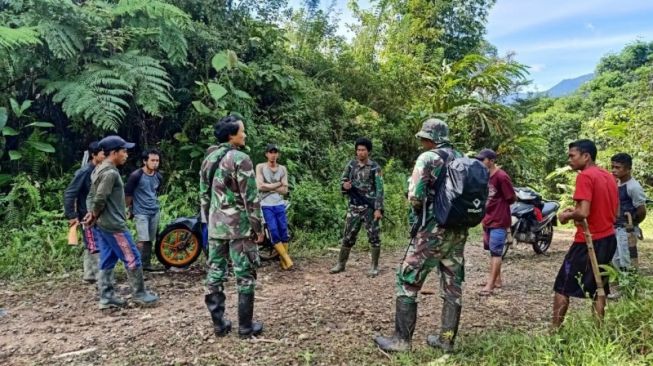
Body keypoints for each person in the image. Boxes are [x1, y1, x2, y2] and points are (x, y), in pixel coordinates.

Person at [374, 118, 469, 353]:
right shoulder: (462, 158)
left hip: (432, 230)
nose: (422, 142)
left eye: (424, 138)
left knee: (407, 280)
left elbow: (415, 196)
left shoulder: (428, 158)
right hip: (458, 231)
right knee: (452, 285)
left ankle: (401, 341)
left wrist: (419, 211)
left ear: (430, 138)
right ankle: (447, 340)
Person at [200, 115, 265, 338]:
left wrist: (208, 221)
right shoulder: (240, 158)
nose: (245, 135)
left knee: (215, 273)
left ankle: (219, 325)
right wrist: (258, 227)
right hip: (239, 227)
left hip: (216, 225)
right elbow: (251, 197)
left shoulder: (209, 158)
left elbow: (204, 195)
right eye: (242, 131)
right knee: (244, 274)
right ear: (231, 135)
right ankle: (245, 327)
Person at [83, 135, 160, 309]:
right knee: (132, 257)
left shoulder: (98, 169)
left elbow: (92, 195)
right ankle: (140, 294)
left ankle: (106, 296)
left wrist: (92, 215)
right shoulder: (110, 172)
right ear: (114, 153)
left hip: (103, 224)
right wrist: (93, 213)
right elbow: (101, 196)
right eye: (124, 151)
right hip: (114, 225)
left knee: (107, 259)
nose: (126, 154)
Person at [552, 139, 618, 328]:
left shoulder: (585, 176)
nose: (569, 160)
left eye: (572, 156)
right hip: (608, 238)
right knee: (599, 287)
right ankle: (597, 331)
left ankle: (554, 332)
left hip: (589, 240)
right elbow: (616, 211)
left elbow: (583, 213)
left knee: (562, 286)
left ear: (586, 156)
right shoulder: (608, 176)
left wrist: (567, 215)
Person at [330, 137, 384, 277]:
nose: (360, 152)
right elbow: (343, 180)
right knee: (348, 236)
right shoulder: (351, 165)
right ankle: (341, 264)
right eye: (358, 150)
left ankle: (374, 266)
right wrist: (345, 186)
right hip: (354, 206)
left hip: (369, 207)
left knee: (374, 237)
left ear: (368, 151)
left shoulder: (374, 167)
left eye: (363, 150)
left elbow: (380, 189)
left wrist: (378, 209)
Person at [63, 142, 105, 283]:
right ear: (94, 155)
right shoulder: (85, 172)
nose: (105, 156)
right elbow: (70, 193)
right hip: (86, 214)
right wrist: (72, 215)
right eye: (102, 154)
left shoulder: (100, 170)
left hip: (97, 213)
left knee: (91, 243)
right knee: (94, 244)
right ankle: (101, 277)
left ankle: (89, 274)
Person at [477, 149, 516, 295]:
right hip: (487, 219)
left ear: (491, 161)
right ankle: (498, 280)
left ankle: (490, 284)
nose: (480, 162)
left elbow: (511, 197)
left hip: (499, 220)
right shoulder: (483, 175)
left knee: (496, 252)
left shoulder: (501, 176)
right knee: (491, 250)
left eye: (483, 160)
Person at [125, 148, 164, 272]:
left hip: (154, 210)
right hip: (141, 211)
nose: (155, 163)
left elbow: (155, 192)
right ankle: (135, 264)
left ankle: (145, 264)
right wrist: (128, 209)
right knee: (142, 239)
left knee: (150, 240)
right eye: (152, 160)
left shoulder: (158, 176)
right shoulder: (136, 175)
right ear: (144, 161)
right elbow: (128, 194)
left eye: (157, 160)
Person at [255, 144, 293, 270]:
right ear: (266, 154)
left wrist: (269, 187)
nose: (273, 155)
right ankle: (287, 258)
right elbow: (260, 186)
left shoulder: (282, 169)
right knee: (273, 231)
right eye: (271, 152)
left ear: (278, 154)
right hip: (266, 204)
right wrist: (278, 184)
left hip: (279, 203)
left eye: (275, 152)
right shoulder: (260, 167)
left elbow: (285, 190)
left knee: (283, 230)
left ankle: (283, 261)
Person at [610, 153, 646, 271]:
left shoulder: (633, 187)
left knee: (627, 259)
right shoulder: (617, 183)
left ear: (628, 169)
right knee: (616, 259)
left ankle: (630, 284)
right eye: (613, 167)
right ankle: (623, 283)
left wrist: (632, 225)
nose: (614, 170)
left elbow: (641, 210)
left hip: (627, 229)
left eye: (618, 167)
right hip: (616, 227)